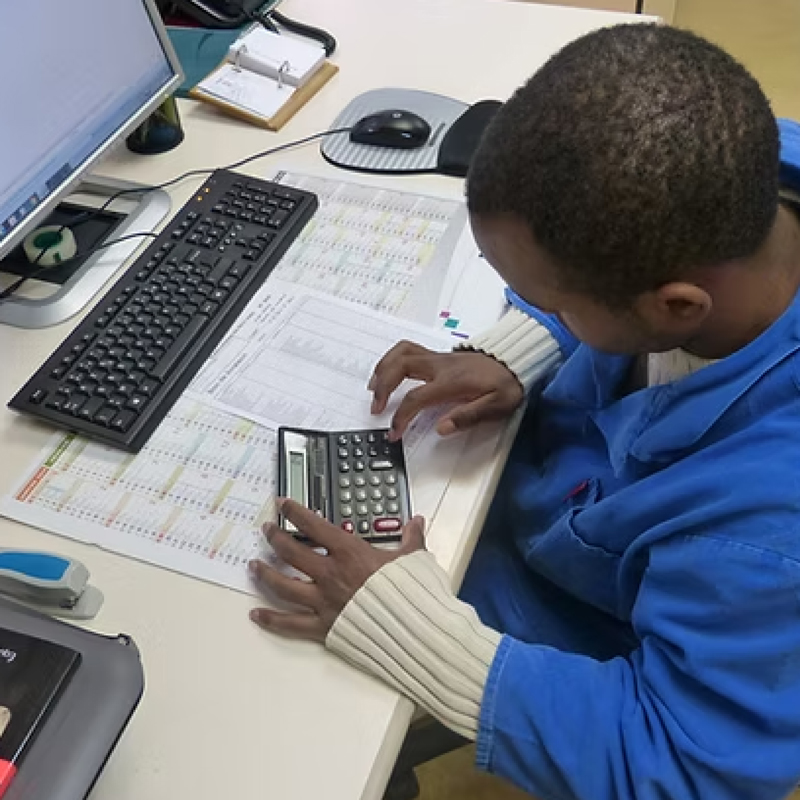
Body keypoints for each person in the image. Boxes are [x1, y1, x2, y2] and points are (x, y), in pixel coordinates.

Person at [248, 23, 800, 800]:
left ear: (676, 307)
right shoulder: (743, 161)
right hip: (559, 506)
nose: (533, 306)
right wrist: (522, 345)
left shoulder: (764, 535)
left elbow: (683, 765)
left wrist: (415, 634)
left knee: (273, 698)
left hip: (593, 632)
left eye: (550, 300)